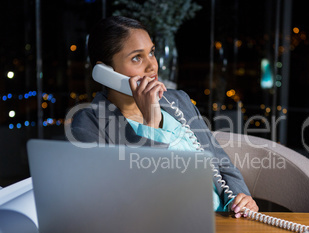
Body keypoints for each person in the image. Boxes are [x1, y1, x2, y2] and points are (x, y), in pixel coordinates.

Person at [70, 16, 258, 217]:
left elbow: (223, 165)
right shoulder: (88, 125)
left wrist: (239, 199)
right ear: (105, 71)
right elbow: (132, 201)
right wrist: (151, 123)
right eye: (137, 58)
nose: (152, 66)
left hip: (223, 222)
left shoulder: (178, 100)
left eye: (151, 53)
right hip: (163, 231)